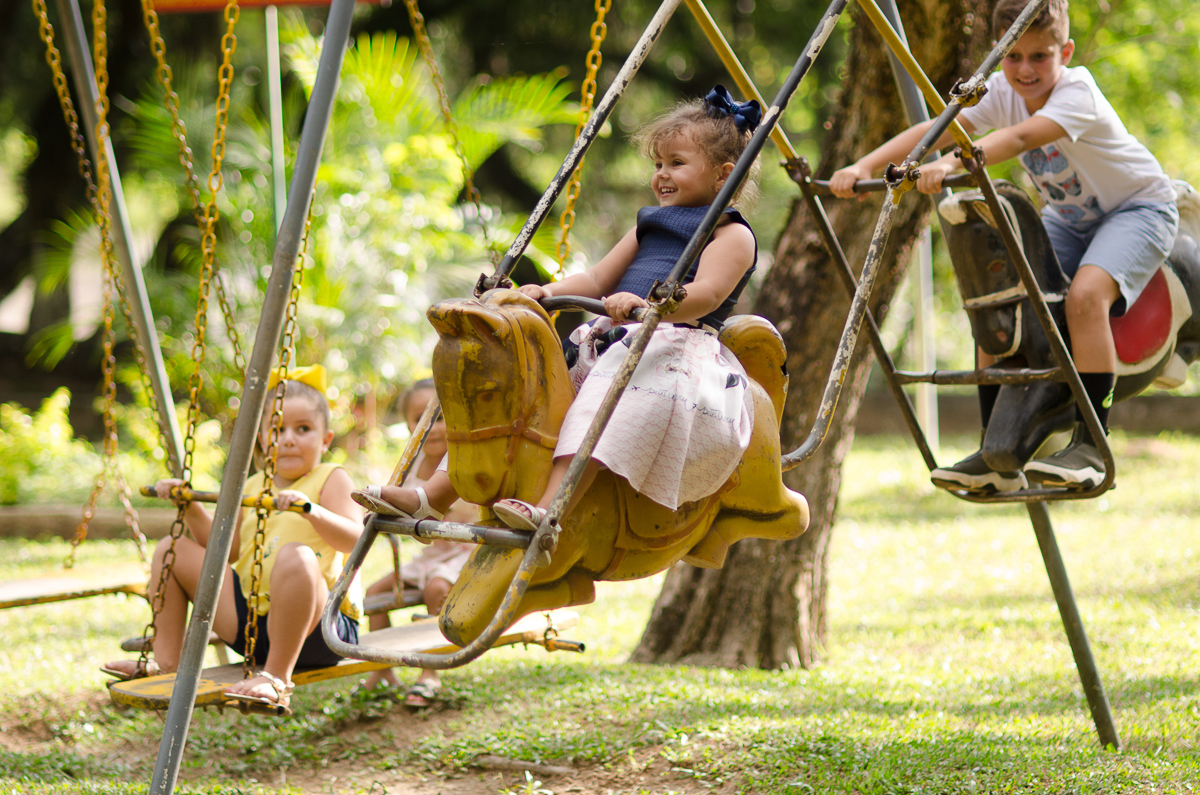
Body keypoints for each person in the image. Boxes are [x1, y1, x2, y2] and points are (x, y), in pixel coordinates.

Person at [353, 85, 762, 534]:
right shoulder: (649, 224)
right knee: (519, 394)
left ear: (724, 176)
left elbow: (706, 294)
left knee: (600, 406)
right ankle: (431, 495)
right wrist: (547, 291)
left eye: (676, 164)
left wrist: (652, 305)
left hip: (671, 352)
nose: (661, 175)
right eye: (658, 164)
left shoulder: (731, 235)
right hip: (612, 340)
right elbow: (595, 280)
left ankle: (551, 505)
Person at [829, 0, 1178, 491]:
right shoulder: (999, 90)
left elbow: (1017, 139)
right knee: (997, 304)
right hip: (1072, 219)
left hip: (1137, 209)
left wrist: (952, 164)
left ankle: (1092, 442)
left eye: (1040, 56)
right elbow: (936, 128)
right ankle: (996, 453)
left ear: (1066, 52)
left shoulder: (1077, 91)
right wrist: (865, 165)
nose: (1026, 69)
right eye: (1013, 57)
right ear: (997, 53)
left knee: (1085, 297)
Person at [102, 365, 364, 712]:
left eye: (303, 429)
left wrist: (311, 511)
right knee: (172, 549)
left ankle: (276, 678)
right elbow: (229, 551)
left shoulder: (331, 477)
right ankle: (166, 663)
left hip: (321, 632)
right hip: (254, 629)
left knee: (296, 556)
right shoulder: (254, 485)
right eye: (277, 428)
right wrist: (191, 505)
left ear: (325, 439)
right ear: (260, 436)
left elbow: (354, 541)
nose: (288, 438)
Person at [360, 380, 477, 707]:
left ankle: (429, 672)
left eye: (441, 418)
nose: (434, 428)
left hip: (466, 551)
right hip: (433, 554)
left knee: (436, 589)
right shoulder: (410, 463)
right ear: (409, 425)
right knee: (375, 593)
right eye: (421, 420)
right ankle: (382, 670)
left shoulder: (463, 459)